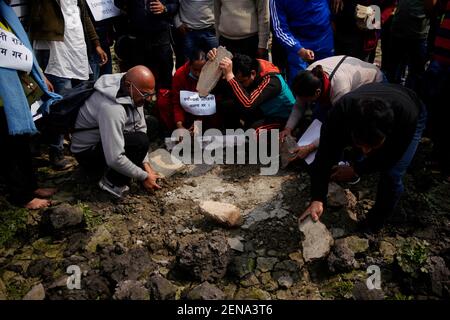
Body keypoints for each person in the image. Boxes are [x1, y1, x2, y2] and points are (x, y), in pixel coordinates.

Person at [299, 83, 427, 232]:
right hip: (371, 101)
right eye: (361, 144)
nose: (366, 151)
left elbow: (391, 157)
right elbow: (324, 157)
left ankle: (374, 223)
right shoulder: (338, 114)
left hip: (412, 105)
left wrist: (357, 169)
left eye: (372, 146)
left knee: (392, 174)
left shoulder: (406, 118)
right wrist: (317, 198)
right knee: (340, 151)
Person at [29, 0, 108, 169]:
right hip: (58, 54)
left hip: (78, 51)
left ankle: (79, 145)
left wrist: (96, 44)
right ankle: (55, 151)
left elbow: (84, 17)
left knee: (81, 101)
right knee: (61, 104)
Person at [0, 0, 61, 209]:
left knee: (22, 143)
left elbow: (21, 50)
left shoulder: (5, 14)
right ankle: (21, 196)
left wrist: (39, 76)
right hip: (3, 96)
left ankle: (31, 186)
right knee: (9, 148)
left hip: (15, 91)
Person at [70, 66, 162, 198]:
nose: (148, 99)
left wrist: (146, 166)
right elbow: (114, 158)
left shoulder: (132, 91)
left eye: (151, 95)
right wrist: (144, 177)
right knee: (140, 142)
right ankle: (111, 183)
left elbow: (140, 127)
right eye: (145, 94)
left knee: (151, 124)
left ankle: (126, 170)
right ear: (128, 85)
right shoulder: (111, 108)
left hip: (103, 140)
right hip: (88, 153)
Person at [280, 55, 385, 160]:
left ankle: (354, 162)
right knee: (319, 120)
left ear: (317, 92)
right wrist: (288, 129)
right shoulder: (308, 77)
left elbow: (337, 128)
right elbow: (299, 106)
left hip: (372, 84)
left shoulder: (340, 89)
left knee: (353, 129)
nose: (305, 101)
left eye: (307, 99)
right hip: (344, 78)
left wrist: (309, 147)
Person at [208, 48, 295, 128]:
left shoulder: (271, 81)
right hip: (262, 110)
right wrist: (214, 59)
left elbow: (248, 104)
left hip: (283, 118)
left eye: (242, 82)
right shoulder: (249, 67)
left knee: (254, 131)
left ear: (253, 73)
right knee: (226, 106)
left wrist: (230, 76)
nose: (241, 85)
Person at [114, 0, 178, 89]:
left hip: (161, 36)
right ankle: (143, 99)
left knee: (164, 71)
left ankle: (164, 99)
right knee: (141, 72)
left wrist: (165, 8)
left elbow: (175, 4)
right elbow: (118, 3)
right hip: (138, 37)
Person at [270, 0, 334, 84]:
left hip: (325, 39)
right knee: (300, 83)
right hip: (298, 42)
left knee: (328, 79)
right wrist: (298, 49)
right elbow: (279, 29)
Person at [420, 0, 450, 183]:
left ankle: (444, 162)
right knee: (436, 106)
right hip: (440, 57)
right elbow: (432, 9)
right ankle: (437, 152)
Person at [172, 50, 220, 132]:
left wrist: (198, 122)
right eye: (195, 70)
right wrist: (179, 126)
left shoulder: (212, 75)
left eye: (201, 70)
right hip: (186, 112)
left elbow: (210, 103)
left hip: (205, 115)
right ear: (189, 65)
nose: (198, 74)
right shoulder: (179, 75)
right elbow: (176, 102)